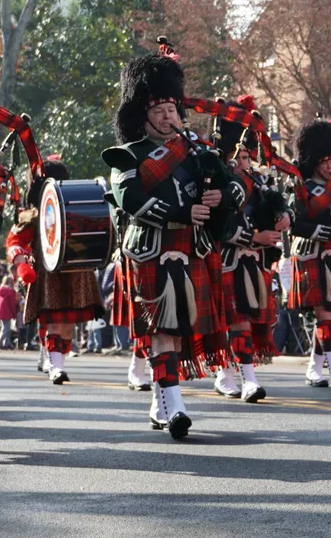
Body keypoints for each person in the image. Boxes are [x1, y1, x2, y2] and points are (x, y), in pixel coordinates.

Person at [101, 38, 229, 439]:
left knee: (174, 331)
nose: (169, 116)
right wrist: (181, 212)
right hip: (151, 249)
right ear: (144, 117)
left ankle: (161, 401)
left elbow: (234, 192)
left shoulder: (198, 152)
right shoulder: (129, 154)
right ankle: (174, 407)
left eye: (172, 108)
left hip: (191, 248)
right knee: (162, 330)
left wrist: (219, 196)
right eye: (160, 110)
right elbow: (130, 198)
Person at [209, 99, 287, 403]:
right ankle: (239, 376)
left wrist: (283, 216)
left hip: (254, 261)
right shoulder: (219, 177)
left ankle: (236, 374)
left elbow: (273, 209)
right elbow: (221, 227)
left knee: (249, 320)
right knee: (234, 320)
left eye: (247, 154)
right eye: (240, 154)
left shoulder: (258, 182)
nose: (244, 159)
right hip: (228, 258)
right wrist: (256, 238)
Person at [9, 159, 105, 385]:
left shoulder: (75, 208)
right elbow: (15, 240)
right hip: (47, 270)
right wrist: (22, 265)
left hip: (75, 269)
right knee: (53, 319)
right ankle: (56, 365)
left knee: (68, 321)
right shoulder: (33, 215)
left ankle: (56, 359)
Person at [287, 118, 331, 391]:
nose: (330, 166)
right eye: (325, 161)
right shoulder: (300, 186)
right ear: (313, 160)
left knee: (328, 313)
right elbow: (297, 223)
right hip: (311, 254)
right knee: (325, 313)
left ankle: (314, 369)